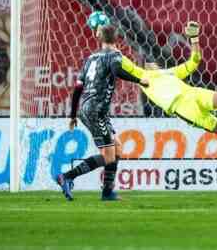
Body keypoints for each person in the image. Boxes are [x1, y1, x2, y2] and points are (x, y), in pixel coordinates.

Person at [134, 21, 217, 156]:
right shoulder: (143, 80)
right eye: (145, 62)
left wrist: (194, 39)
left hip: (193, 94)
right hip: (184, 109)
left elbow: (194, 61)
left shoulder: (170, 72)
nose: (149, 63)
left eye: (150, 61)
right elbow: (127, 67)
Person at [56, 22, 148, 201]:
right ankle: (66, 177)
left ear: (100, 39)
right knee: (108, 156)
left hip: (88, 108)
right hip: (96, 110)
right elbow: (117, 70)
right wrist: (139, 80)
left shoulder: (91, 58)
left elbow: (77, 88)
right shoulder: (115, 55)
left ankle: (107, 192)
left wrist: (73, 115)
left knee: (117, 149)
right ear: (117, 40)